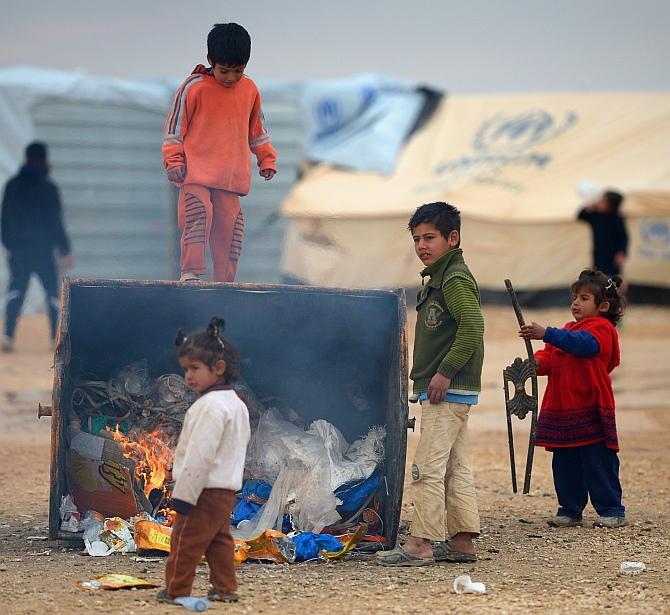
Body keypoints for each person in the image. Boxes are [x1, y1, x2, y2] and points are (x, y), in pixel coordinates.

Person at [378, 201, 484, 566]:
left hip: (447, 388)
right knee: (456, 464)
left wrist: (445, 371)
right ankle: (462, 539)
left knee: (428, 465)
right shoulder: (440, 276)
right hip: (450, 390)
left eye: (430, 237)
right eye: (417, 239)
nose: (422, 246)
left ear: (452, 238)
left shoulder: (453, 278)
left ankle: (419, 543)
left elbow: (473, 327)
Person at [162, 22, 277, 283]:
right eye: (224, 71)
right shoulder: (193, 87)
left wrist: (266, 158)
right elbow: (174, 129)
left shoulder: (250, 90)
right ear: (210, 61)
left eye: (238, 71)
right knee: (197, 215)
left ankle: (225, 283)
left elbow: (257, 130)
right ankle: (190, 272)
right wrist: (173, 160)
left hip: (231, 179)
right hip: (196, 174)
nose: (231, 78)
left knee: (231, 230)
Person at [519, 269, 626, 529]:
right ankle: (570, 508)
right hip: (562, 409)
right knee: (565, 463)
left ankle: (611, 509)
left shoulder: (602, 329)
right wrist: (536, 363)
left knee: (597, 461)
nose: (576, 302)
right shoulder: (567, 330)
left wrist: (547, 333)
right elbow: (552, 357)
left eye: (584, 298)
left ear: (603, 306)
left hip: (590, 406)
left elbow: (584, 345)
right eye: (575, 297)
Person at [158, 316, 250, 605]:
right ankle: (225, 588)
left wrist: (184, 495)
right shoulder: (236, 404)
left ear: (219, 368)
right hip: (225, 490)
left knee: (186, 541)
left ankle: (176, 589)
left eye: (195, 368)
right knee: (218, 540)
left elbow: (200, 456)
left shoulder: (209, 406)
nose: (188, 376)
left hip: (202, 491)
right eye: (185, 369)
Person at [1, 141, 72, 352]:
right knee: (51, 294)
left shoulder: (12, 185)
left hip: (19, 251)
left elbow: (4, 219)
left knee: (15, 292)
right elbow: (55, 221)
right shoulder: (48, 187)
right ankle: (55, 338)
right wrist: (65, 249)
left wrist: (10, 245)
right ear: (43, 160)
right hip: (42, 250)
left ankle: (7, 336)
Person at [577, 190, 628, 276]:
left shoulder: (617, 218)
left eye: (604, 202)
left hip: (613, 254)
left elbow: (623, 238)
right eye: (601, 200)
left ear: (612, 206)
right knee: (597, 273)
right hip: (599, 252)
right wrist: (589, 206)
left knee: (612, 276)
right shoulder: (596, 215)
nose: (600, 202)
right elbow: (580, 216)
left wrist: (621, 252)